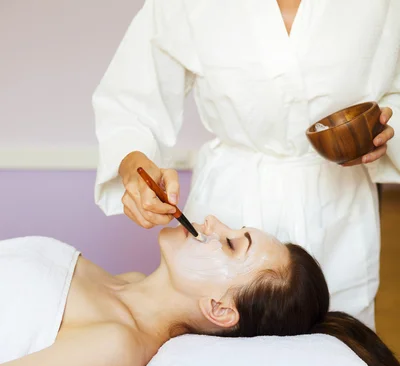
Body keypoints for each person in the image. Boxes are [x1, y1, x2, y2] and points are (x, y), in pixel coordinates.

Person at [92, 0, 399, 330]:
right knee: (211, 360)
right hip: (232, 193)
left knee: (339, 355)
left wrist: (382, 130)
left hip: (338, 210)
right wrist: (133, 164)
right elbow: (130, 102)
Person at [0, 217, 399, 366]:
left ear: (221, 310)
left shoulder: (115, 347)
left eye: (229, 243)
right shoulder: (128, 284)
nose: (210, 221)